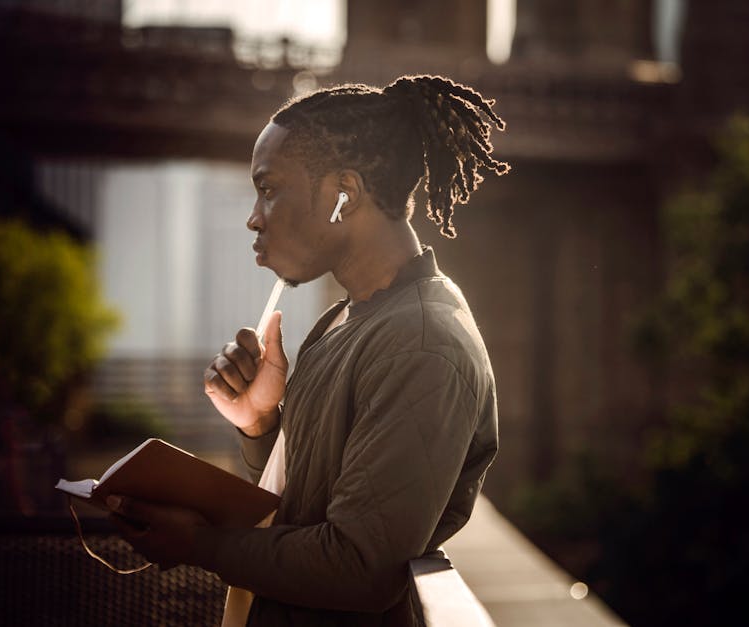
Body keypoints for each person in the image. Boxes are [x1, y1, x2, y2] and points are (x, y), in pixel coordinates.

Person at [107, 74, 508, 625]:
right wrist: (260, 425)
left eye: (268, 189)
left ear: (343, 194)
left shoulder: (420, 342)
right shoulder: (344, 319)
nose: (254, 216)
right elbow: (303, 507)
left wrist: (199, 545)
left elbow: (358, 567)